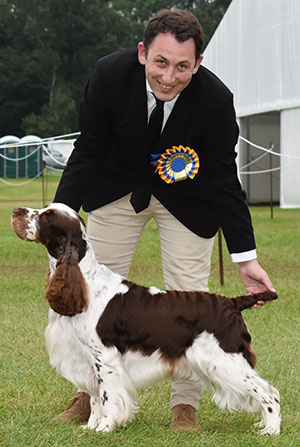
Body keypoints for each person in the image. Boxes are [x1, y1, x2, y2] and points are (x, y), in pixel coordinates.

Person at [53, 8, 276, 430]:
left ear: (199, 63)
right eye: (161, 62)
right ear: (142, 53)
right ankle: (90, 395)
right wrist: (62, 219)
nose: (169, 77)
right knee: (92, 296)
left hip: (188, 201)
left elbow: (225, 181)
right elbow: (87, 150)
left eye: (182, 66)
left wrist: (247, 259)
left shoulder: (215, 100)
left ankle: (184, 405)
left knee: (190, 298)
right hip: (115, 190)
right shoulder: (108, 76)